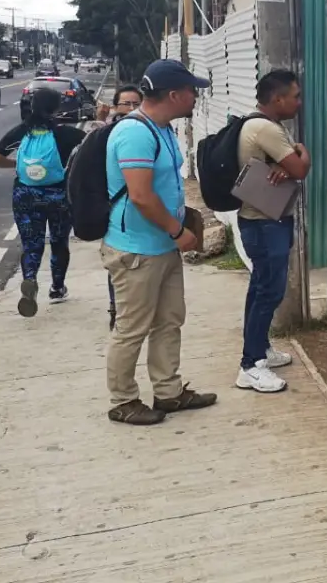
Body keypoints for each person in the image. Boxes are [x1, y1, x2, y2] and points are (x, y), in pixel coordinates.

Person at [102, 59, 216, 426]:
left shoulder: (162, 128)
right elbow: (141, 196)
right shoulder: (135, 133)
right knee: (132, 328)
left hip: (161, 246)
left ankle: (168, 392)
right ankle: (123, 400)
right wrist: (178, 231)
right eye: (192, 91)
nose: (196, 97)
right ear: (173, 95)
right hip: (137, 249)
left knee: (169, 320)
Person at [234, 69, 312, 394]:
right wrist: (301, 149)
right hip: (267, 222)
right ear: (277, 99)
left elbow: (282, 165)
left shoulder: (255, 124)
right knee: (270, 291)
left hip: (260, 219)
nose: (298, 102)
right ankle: (251, 366)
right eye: (295, 96)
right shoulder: (266, 128)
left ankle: (260, 349)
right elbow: (301, 168)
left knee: (260, 287)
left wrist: (286, 159)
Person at [0, 88, 86, 316]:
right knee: (59, 242)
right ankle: (57, 289)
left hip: (25, 194)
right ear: (57, 109)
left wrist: (22, 165)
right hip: (58, 196)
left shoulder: (21, 132)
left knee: (32, 244)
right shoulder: (67, 134)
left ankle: (30, 279)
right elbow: (93, 146)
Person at [97, 84, 143, 328]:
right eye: (127, 103)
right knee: (117, 265)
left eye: (137, 103)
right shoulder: (107, 132)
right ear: (116, 106)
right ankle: (116, 308)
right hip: (114, 209)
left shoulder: (147, 130)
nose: (133, 108)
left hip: (137, 217)